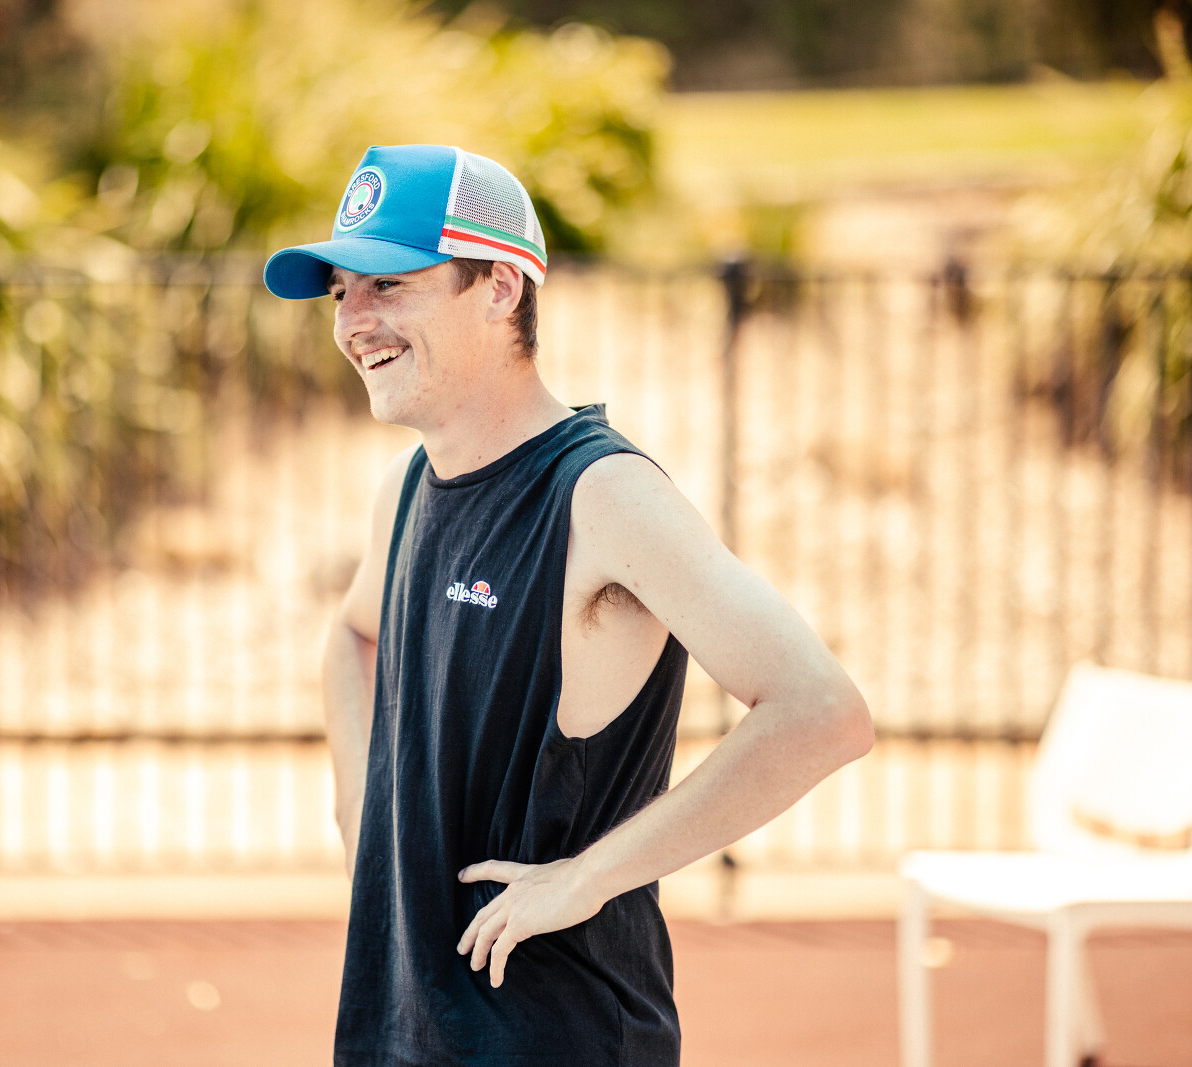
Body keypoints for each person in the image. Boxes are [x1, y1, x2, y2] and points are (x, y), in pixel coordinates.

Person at [263, 144, 874, 1066]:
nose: (353, 320)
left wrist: (587, 878)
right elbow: (352, 635)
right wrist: (359, 809)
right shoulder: (406, 486)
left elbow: (822, 711)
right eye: (342, 291)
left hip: (556, 1034)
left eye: (388, 284)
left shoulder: (602, 493)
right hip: (397, 1025)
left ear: (501, 287)